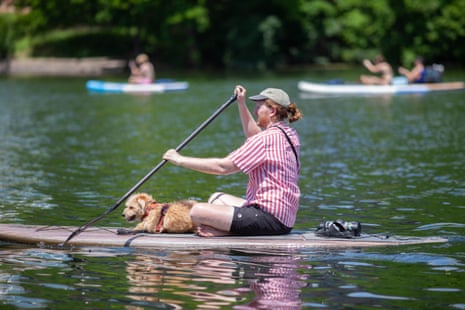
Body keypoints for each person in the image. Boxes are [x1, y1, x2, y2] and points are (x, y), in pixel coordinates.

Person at [163, 86, 303, 237]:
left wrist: (179, 160)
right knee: (216, 198)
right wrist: (241, 104)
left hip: (270, 219)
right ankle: (225, 230)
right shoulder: (288, 134)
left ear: (272, 111)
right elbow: (254, 136)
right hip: (285, 217)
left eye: (258, 107)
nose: (255, 111)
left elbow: (223, 167)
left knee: (197, 212)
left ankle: (224, 233)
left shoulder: (266, 139)